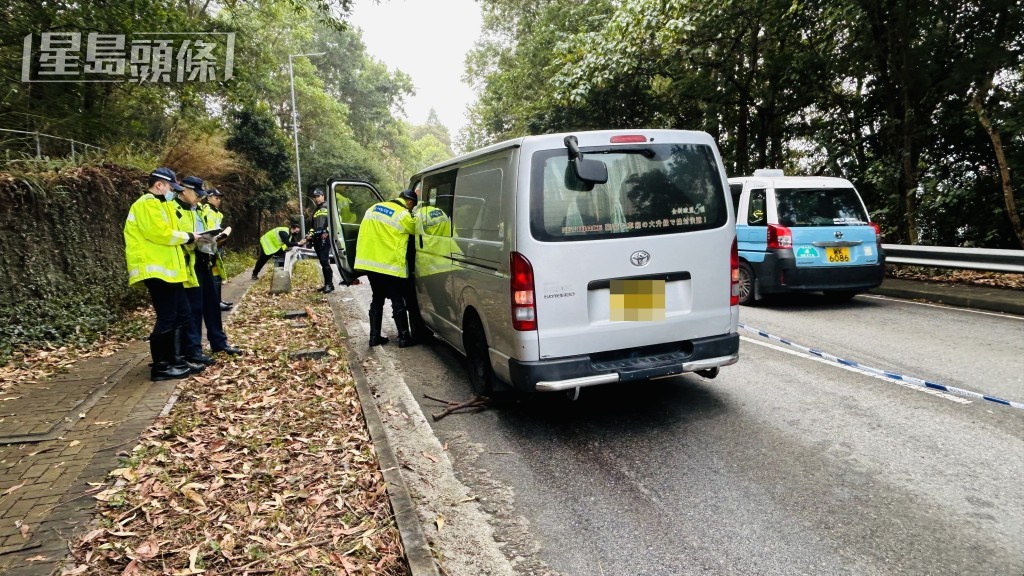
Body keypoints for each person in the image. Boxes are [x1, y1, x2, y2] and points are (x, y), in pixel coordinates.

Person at [124, 167, 213, 381]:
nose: (172, 192)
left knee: (182, 313)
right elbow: (161, 234)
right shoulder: (147, 203)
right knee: (167, 317)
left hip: (170, 272)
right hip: (155, 270)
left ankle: (178, 360)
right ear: (159, 185)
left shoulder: (160, 205)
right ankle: (162, 367)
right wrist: (190, 236)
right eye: (170, 188)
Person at [181, 176, 243, 358]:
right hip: (189, 263)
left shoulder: (198, 209)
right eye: (197, 194)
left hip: (206, 258)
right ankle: (194, 351)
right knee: (195, 308)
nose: (199, 198)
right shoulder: (176, 209)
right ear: (184, 190)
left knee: (212, 305)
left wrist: (216, 238)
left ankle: (219, 342)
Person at [354, 189, 418, 348]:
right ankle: (404, 338)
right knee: (397, 299)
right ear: (409, 202)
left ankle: (374, 337)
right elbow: (416, 230)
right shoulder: (403, 214)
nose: (410, 209)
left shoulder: (373, 208)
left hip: (369, 263)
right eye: (412, 207)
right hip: (388, 264)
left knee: (377, 298)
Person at [202, 187, 232, 311]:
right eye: (216, 198)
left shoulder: (216, 213)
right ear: (208, 198)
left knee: (217, 275)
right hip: (209, 246)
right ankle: (214, 303)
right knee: (213, 276)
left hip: (216, 245)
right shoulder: (206, 210)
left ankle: (217, 300)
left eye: (219, 198)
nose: (218, 200)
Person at [308, 188, 335, 293]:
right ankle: (328, 284)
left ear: (323, 196)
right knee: (322, 262)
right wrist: (309, 235)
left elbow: (334, 221)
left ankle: (329, 284)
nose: (316, 199)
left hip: (325, 238)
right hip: (317, 239)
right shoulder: (316, 210)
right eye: (315, 197)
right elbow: (312, 227)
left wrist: (327, 232)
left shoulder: (328, 206)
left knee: (324, 260)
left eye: (318, 196)